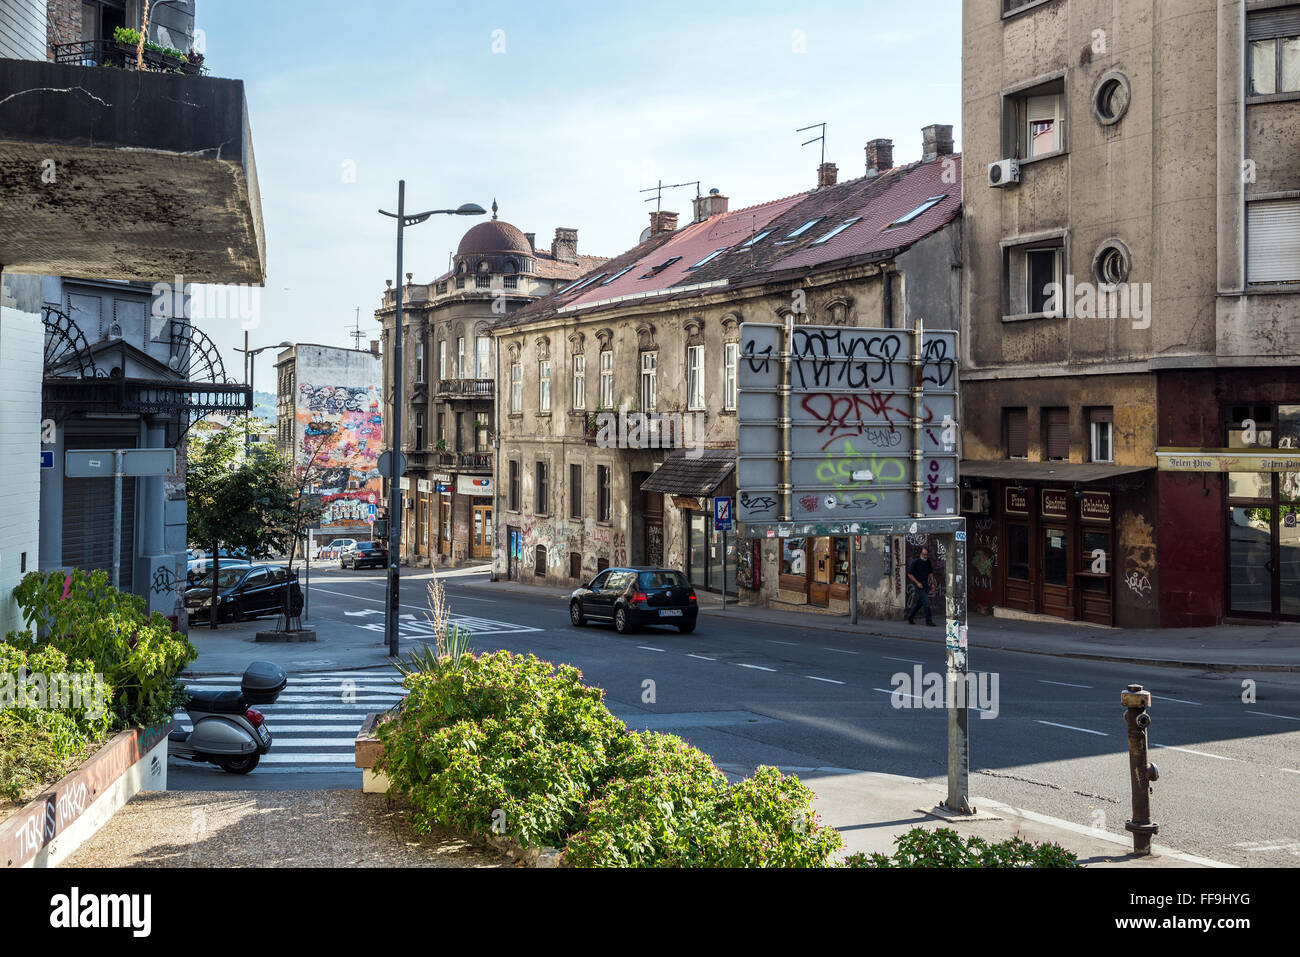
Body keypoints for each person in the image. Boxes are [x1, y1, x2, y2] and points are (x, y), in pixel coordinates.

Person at [905, 546, 937, 626]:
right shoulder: (915, 562)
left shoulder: (928, 562)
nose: (925, 556)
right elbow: (909, 574)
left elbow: (930, 573)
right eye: (924, 554)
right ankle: (928, 621)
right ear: (921, 554)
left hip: (925, 584)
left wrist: (932, 583)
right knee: (926, 602)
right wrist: (917, 583)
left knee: (920, 603)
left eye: (926, 554)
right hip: (918, 585)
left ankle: (910, 616)